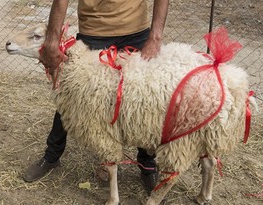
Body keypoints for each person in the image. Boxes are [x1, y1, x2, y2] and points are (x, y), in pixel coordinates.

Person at [24, 0, 169, 194]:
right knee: (72, 95)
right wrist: (52, 39)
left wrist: (155, 36)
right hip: (94, 33)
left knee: (142, 100)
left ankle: (147, 163)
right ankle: (51, 156)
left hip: (136, 31)